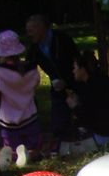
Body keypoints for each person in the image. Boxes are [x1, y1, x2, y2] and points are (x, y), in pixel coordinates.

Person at [0, 30, 41, 160]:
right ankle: (31, 154)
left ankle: (16, 157)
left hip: (7, 119)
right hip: (30, 115)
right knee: (34, 146)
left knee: (11, 150)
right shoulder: (31, 70)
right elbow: (36, 84)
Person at [24, 14, 78, 147]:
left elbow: (77, 62)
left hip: (76, 81)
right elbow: (28, 67)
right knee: (58, 127)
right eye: (27, 31)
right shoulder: (35, 47)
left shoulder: (62, 39)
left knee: (80, 114)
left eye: (31, 30)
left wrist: (67, 80)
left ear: (42, 28)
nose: (29, 34)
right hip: (58, 87)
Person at [66, 51, 109, 147]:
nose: (73, 71)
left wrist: (74, 106)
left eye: (75, 67)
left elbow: (87, 120)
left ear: (83, 70)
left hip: (105, 137)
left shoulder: (88, 90)